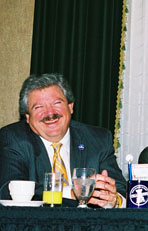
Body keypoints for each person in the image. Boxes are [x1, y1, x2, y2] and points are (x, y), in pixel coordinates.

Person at [0, 73, 126, 208]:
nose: (49, 113)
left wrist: (115, 200)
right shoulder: (13, 138)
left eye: (57, 103)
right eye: (39, 107)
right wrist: (72, 193)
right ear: (27, 117)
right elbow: (9, 191)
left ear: (70, 107)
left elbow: (122, 190)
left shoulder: (97, 139)